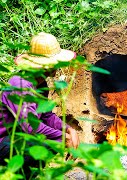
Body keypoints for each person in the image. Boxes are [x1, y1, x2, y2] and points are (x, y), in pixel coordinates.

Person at [0, 32, 80, 176]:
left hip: (17, 137)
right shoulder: (20, 85)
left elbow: (46, 116)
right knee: (41, 146)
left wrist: (68, 129)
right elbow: (31, 127)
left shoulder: (39, 82)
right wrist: (63, 138)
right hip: (3, 141)